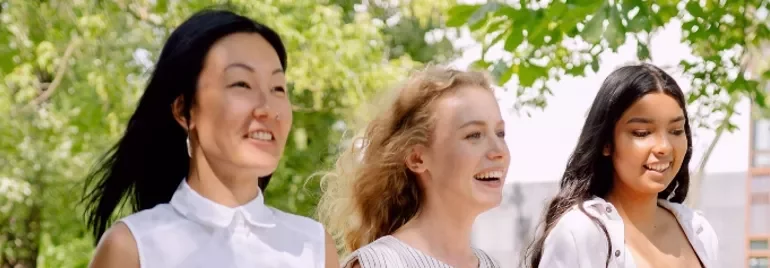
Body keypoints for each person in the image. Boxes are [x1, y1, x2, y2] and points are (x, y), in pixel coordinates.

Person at [82, 8, 339, 268]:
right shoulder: (132, 247)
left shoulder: (313, 246)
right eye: (241, 84)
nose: (268, 108)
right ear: (183, 110)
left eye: (278, 88)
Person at [525, 63, 718, 268]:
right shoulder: (580, 234)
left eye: (676, 130)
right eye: (642, 133)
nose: (664, 147)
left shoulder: (698, 231)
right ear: (606, 143)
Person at [317, 66, 508, 268]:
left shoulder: (491, 265)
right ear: (417, 158)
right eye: (474, 135)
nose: (499, 151)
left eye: (500, 133)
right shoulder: (379, 264)